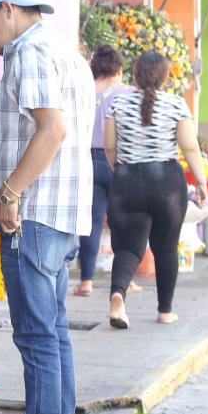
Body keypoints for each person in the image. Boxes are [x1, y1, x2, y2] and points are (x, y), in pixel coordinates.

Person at [0, 0, 93, 414]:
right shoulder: (64, 50)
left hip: (34, 216)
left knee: (37, 337)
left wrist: (9, 193)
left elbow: (53, 129)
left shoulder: (29, 52)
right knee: (53, 336)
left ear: (6, 9)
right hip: (58, 216)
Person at [103, 51, 208, 328]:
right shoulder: (176, 104)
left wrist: (121, 170)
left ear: (135, 75)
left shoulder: (118, 102)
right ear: (166, 77)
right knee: (165, 248)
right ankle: (165, 310)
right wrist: (201, 182)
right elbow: (190, 148)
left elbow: (110, 147)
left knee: (128, 247)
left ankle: (118, 296)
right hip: (166, 183)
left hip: (127, 180)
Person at [75, 45, 125, 296]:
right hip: (116, 160)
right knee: (121, 223)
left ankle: (86, 281)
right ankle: (124, 281)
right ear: (118, 68)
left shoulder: (85, 90)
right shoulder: (125, 93)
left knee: (92, 222)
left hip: (88, 160)